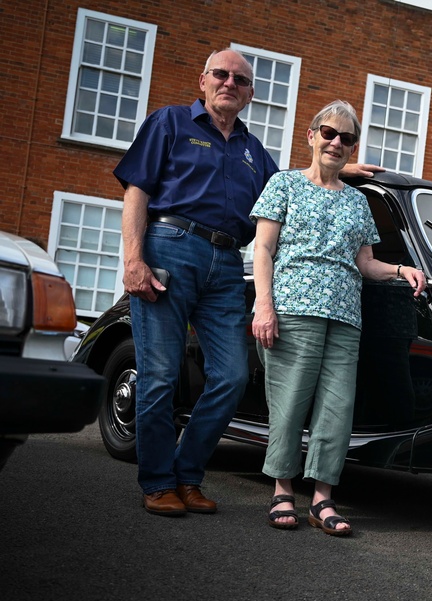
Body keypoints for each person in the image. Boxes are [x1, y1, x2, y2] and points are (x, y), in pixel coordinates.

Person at [113, 50, 379, 517]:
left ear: (250, 93)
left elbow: (300, 186)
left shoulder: (253, 151)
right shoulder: (170, 122)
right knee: (159, 375)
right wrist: (134, 258)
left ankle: (188, 475)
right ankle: (159, 482)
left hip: (226, 262)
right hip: (171, 246)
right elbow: (137, 189)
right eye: (222, 74)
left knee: (233, 376)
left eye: (241, 79)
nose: (230, 83)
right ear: (204, 80)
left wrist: (344, 168)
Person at [251, 100, 426, 536]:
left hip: (346, 319)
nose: (336, 142)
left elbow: (366, 264)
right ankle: (281, 490)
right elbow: (263, 249)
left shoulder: (357, 203)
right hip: (293, 310)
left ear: (352, 147)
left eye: (346, 138)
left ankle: (323, 499)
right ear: (311, 136)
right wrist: (264, 304)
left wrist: (401, 270)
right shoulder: (284, 184)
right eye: (329, 133)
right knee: (290, 402)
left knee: (336, 409)